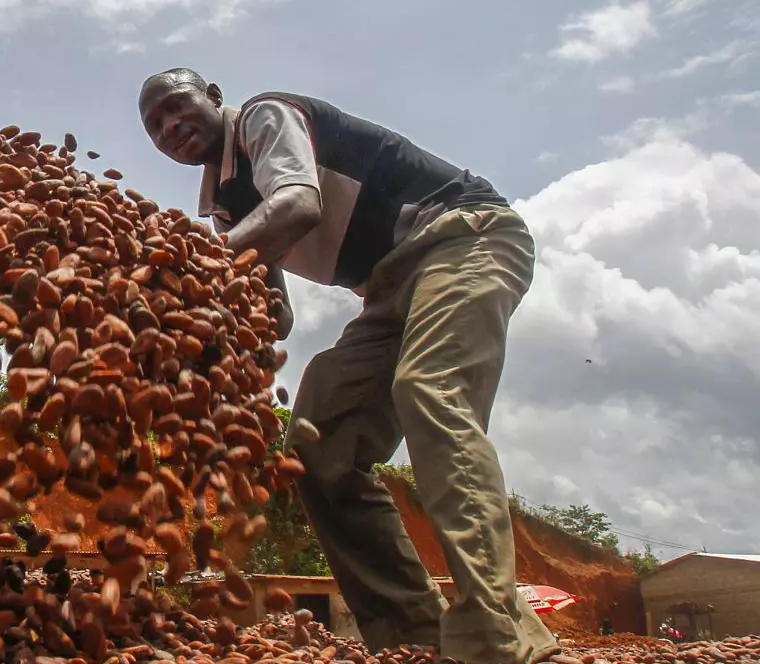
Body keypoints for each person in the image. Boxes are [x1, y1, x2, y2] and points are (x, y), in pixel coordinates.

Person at [137, 68, 559, 664]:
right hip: (385, 290)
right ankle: (413, 638)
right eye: (154, 126)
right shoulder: (224, 206)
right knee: (316, 441)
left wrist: (181, 271)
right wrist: (193, 346)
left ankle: (497, 636)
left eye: (176, 108)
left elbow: (297, 206)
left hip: (463, 237)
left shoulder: (264, 117)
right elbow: (273, 314)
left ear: (213, 95)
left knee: (429, 392)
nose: (169, 127)